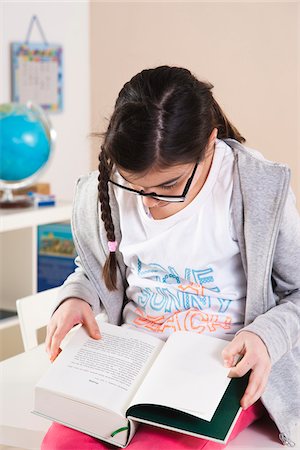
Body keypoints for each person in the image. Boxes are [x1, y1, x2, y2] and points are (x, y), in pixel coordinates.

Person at [42, 66, 300, 449]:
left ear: (210, 143)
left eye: (169, 185)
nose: (150, 201)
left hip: (220, 367)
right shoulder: (105, 192)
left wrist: (265, 336)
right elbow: (95, 268)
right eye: (135, 185)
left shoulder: (255, 190)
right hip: (130, 361)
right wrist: (78, 295)